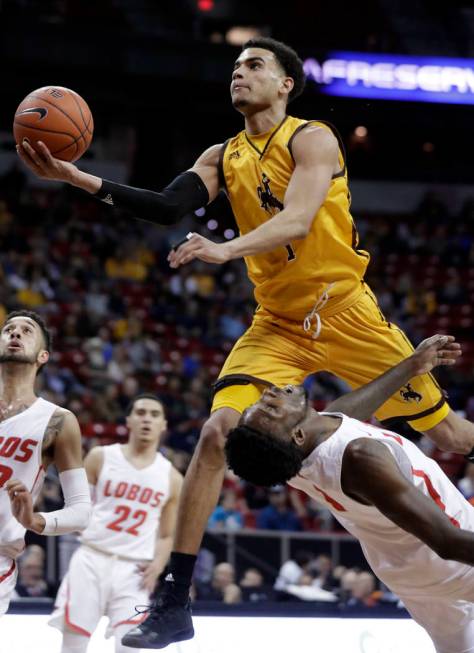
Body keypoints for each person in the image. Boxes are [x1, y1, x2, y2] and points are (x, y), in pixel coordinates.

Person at [16, 36, 474, 647]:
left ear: (286, 83)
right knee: (214, 433)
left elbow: (301, 216)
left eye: (255, 65)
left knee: (450, 436)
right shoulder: (222, 154)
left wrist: (226, 248)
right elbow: (164, 207)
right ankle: (175, 600)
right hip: (279, 325)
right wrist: (79, 177)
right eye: (235, 66)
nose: (240, 73)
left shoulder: (312, 137)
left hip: (345, 313)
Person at [225, 335, 474, 652]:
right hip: (457, 557)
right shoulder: (361, 458)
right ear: (297, 434)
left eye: (261, 401)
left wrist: (411, 366)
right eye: (272, 409)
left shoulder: (293, 459)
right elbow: (446, 541)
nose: (270, 393)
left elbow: (341, 416)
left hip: (404, 572)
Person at [49, 394, 183, 653]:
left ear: (164, 425)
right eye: (141, 413)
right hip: (91, 557)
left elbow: (167, 535)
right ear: (129, 420)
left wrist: (158, 565)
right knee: (73, 644)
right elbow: (77, 507)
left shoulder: (172, 477)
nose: (147, 419)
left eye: (154, 415)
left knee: (130, 645)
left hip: (134, 570)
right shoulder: (100, 457)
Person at [0, 310, 91, 616]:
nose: (14, 333)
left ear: (43, 355)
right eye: (8, 329)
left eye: (26, 331)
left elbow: (81, 512)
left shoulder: (58, 421)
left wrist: (34, 521)